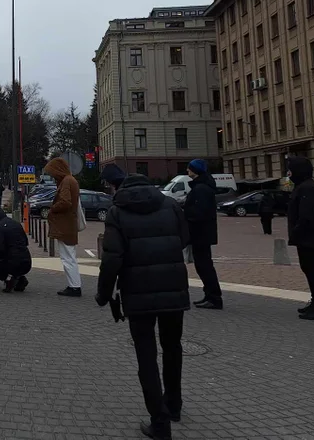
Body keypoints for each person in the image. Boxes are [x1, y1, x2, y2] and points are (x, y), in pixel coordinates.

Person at [97, 163, 190, 440]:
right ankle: (174, 404)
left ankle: (159, 422)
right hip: (174, 288)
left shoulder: (117, 212)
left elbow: (112, 258)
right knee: (173, 348)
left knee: (146, 356)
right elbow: (185, 238)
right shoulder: (171, 206)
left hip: (137, 294)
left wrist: (103, 295)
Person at [287, 156, 314, 321]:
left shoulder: (307, 188)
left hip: (308, 237)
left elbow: (306, 216)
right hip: (307, 237)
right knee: (310, 269)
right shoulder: (303, 187)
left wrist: (296, 231)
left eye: (291, 169)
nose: (288, 173)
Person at [184, 159, 223, 310]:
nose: (187, 170)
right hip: (202, 233)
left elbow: (198, 212)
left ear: (195, 171)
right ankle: (210, 295)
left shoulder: (201, 189)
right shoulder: (202, 187)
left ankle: (214, 297)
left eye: (190, 168)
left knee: (204, 266)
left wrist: (185, 214)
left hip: (200, 233)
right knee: (204, 265)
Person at [43, 157, 82, 297]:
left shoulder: (66, 181)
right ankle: (74, 285)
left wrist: (53, 208)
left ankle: (74, 286)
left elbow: (65, 202)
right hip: (68, 224)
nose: (52, 176)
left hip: (65, 225)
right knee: (69, 256)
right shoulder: (71, 180)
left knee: (67, 257)